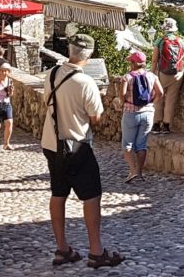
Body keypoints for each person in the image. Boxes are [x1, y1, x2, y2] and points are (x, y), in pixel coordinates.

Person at [41, 34, 124, 268]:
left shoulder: (53, 74)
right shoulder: (86, 82)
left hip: (51, 144)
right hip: (76, 145)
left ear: (70, 50)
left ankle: (62, 249)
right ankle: (96, 252)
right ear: (88, 56)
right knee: (91, 196)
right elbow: (95, 118)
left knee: (58, 194)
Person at [118, 50, 163, 183]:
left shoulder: (127, 77)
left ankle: (132, 171)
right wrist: (151, 103)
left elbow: (122, 94)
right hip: (148, 113)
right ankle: (139, 172)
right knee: (141, 145)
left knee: (127, 144)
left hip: (131, 113)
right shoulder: (152, 76)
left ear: (132, 63)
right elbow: (160, 92)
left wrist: (124, 103)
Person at [151, 18, 184, 133]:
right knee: (171, 99)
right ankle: (166, 126)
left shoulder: (160, 41)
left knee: (159, 98)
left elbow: (154, 60)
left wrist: (152, 73)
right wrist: (181, 68)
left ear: (164, 28)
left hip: (162, 73)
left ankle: (156, 124)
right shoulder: (180, 41)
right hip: (177, 75)